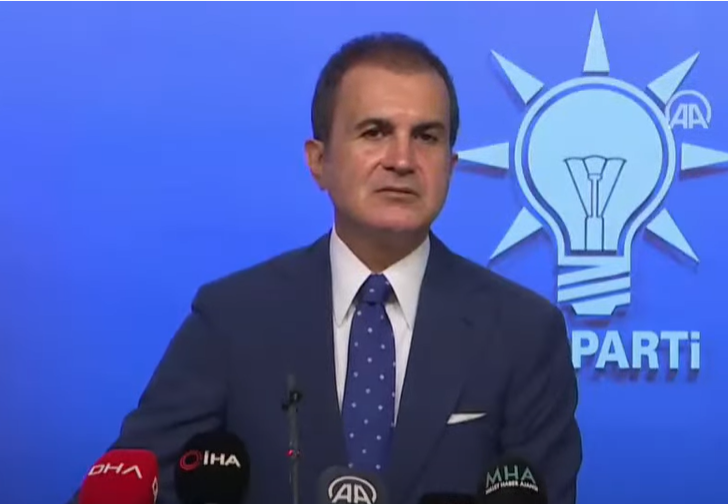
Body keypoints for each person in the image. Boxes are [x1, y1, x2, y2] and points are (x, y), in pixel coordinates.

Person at [66, 32, 582, 504]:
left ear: (449, 166)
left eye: (426, 136)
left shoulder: (523, 334)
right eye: (375, 132)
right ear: (319, 162)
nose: (402, 160)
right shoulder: (232, 319)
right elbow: (125, 487)